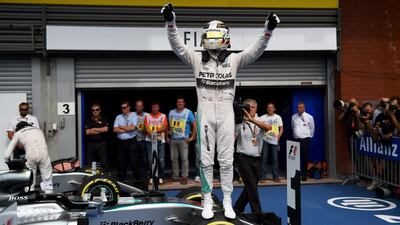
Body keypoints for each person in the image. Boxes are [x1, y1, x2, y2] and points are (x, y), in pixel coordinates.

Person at [162, 3, 280, 219]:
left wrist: (268, 30)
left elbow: (256, 51)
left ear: (224, 37)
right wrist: (171, 22)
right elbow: (177, 46)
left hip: (226, 115)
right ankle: (207, 199)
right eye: (209, 35)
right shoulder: (197, 58)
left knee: (226, 161)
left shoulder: (234, 59)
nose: (211, 39)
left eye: (215, 35)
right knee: (205, 161)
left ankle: (227, 200)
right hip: (205, 115)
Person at [234, 99, 268, 213]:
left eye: (252, 107)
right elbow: (233, 137)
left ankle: (238, 208)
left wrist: (252, 120)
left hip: (257, 159)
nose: (250, 109)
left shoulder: (261, 119)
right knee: (252, 187)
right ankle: (257, 213)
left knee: (250, 187)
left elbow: (268, 128)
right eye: (248, 107)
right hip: (242, 158)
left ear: (256, 108)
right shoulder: (239, 121)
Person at [4, 121, 53, 193]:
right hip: (43, 154)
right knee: (48, 182)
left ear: (18, 129)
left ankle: (30, 200)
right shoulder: (39, 130)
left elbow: (7, 155)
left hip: (30, 154)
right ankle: (49, 199)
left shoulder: (18, 133)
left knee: (30, 183)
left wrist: (8, 162)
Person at [167, 96, 196, 185]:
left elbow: (194, 124)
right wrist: (167, 136)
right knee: (173, 158)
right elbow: (168, 125)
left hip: (184, 140)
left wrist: (192, 136)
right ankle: (175, 176)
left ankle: (184, 176)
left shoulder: (188, 112)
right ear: (176, 103)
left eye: (181, 102)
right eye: (178, 102)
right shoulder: (171, 112)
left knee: (184, 159)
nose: (180, 103)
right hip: (173, 139)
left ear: (184, 103)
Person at [113, 100, 139, 181]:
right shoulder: (118, 117)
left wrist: (121, 127)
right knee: (121, 161)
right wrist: (127, 128)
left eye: (124, 108)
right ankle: (121, 179)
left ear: (129, 107)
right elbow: (115, 129)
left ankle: (137, 179)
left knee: (133, 161)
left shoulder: (134, 115)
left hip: (131, 142)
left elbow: (133, 128)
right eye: (122, 108)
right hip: (121, 143)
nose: (123, 109)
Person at [144, 101, 168, 184]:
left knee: (161, 161)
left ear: (158, 108)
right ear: (151, 108)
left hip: (160, 141)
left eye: (156, 107)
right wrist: (152, 134)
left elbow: (164, 127)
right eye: (153, 107)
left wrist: (155, 132)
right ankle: (152, 176)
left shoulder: (163, 116)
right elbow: (146, 127)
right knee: (151, 160)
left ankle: (161, 177)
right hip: (149, 141)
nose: (155, 108)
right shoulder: (147, 116)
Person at [259, 103, 283, 183]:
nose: (270, 109)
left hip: (274, 141)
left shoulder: (278, 117)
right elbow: (256, 124)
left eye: (271, 107)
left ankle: (276, 177)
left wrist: (278, 138)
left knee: (275, 160)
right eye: (268, 107)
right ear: (267, 109)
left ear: (274, 109)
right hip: (265, 140)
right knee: (264, 159)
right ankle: (263, 177)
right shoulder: (262, 117)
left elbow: (281, 129)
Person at [291, 102, 314, 181]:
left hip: (305, 139)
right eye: (298, 107)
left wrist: (308, 136)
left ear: (304, 108)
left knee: (304, 157)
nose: (299, 109)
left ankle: (304, 175)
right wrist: (295, 134)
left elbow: (312, 128)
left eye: (301, 107)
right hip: (296, 139)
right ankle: (295, 175)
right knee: (295, 157)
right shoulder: (293, 116)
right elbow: (292, 126)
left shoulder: (309, 117)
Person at [85, 103, 109, 170]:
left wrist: (93, 129)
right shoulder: (88, 119)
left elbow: (106, 129)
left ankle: (105, 176)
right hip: (91, 144)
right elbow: (87, 132)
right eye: (93, 110)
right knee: (90, 162)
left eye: (97, 110)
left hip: (102, 144)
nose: (95, 111)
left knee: (103, 162)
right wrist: (100, 130)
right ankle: (91, 177)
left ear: (100, 110)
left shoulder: (104, 118)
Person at [133, 100, 150, 180]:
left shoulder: (147, 115)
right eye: (137, 106)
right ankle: (138, 177)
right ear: (135, 107)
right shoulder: (131, 115)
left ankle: (145, 176)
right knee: (135, 160)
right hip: (134, 140)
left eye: (140, 106)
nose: (139, 108)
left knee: (145, 160)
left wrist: (145, 130)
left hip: (144, 140)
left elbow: (151, 127)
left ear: (143, 107)